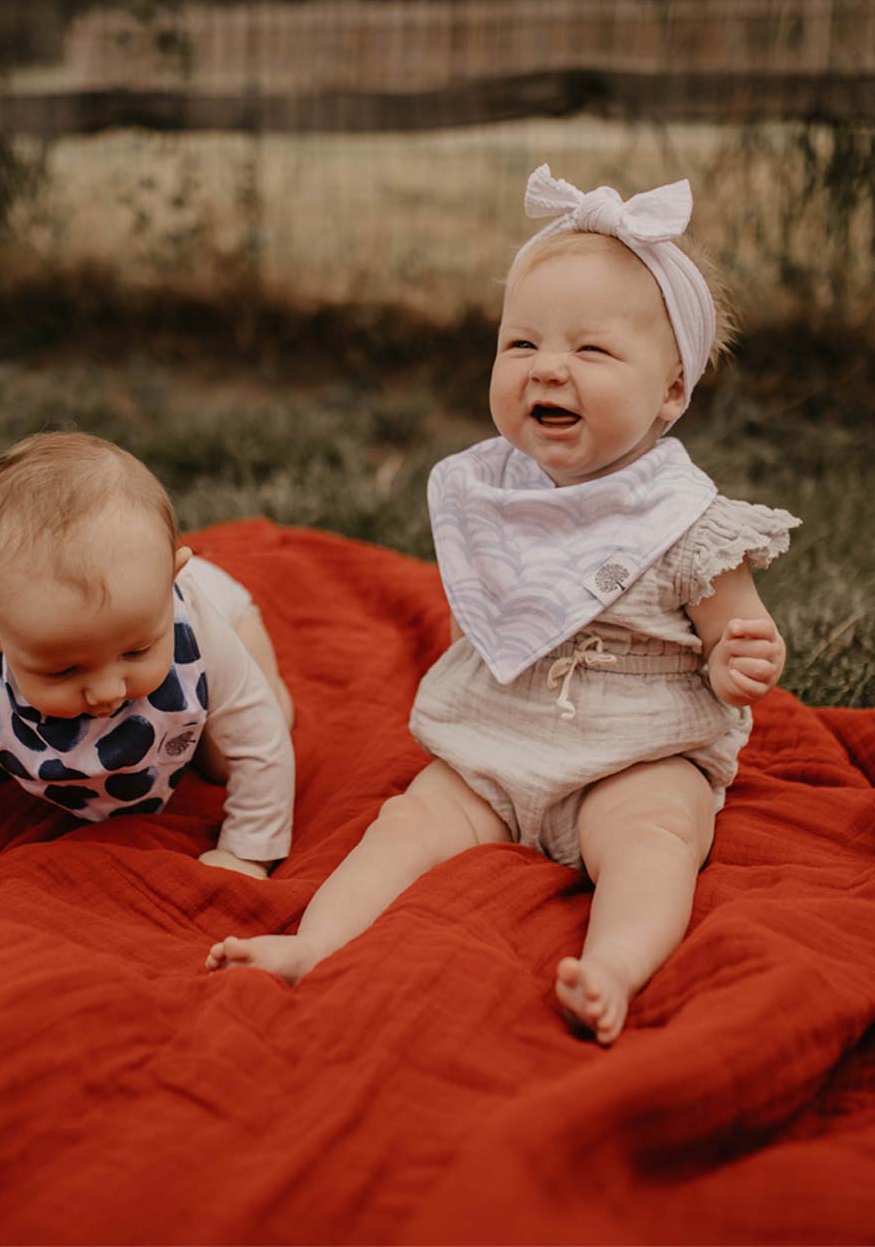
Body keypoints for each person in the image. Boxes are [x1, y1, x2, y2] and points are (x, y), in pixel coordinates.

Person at [208, 165, 799, 1045]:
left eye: (591, 352)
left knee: (655, 841)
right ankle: (314, 943)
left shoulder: (685, 520)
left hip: (630, 751)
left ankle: (615, 966)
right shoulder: (492, 493)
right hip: (497, 739)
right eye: (520, 345)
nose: (548, 367)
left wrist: (739, 657)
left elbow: (734, 633)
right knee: (407, 821)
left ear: (671, 392)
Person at [0, 431, 296, 898]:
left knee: (235, 749)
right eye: (64, 670)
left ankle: (260, 698)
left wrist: (246, 850)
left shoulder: (198, 629)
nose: (106, 692)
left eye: (136, 651)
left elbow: (261, 743)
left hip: (231, 615)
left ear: (171, 584)